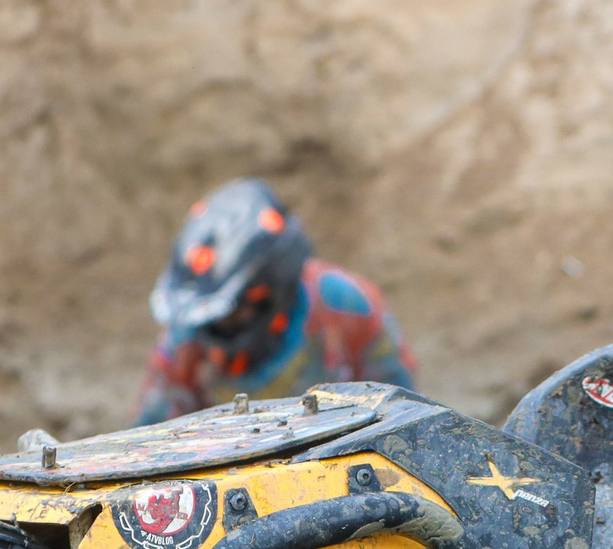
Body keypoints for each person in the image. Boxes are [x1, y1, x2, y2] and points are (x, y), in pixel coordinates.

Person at [135, 179, 415, 423]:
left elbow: (403, 415)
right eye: (209, 318)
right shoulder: (184, 338)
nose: (218, 326)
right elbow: (147, 441)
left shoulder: (347, 306)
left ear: (271, 288)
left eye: (232, 311)